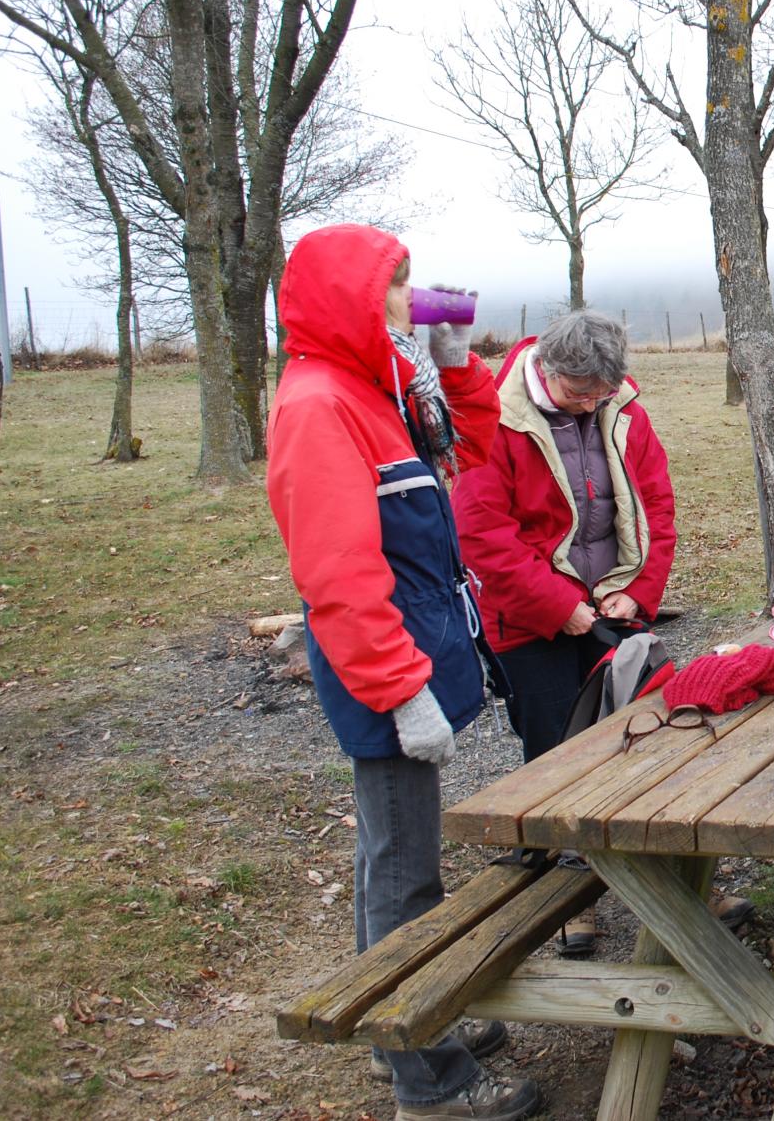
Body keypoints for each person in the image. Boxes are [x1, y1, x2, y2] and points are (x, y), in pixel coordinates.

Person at [266, 225, 540, 1121]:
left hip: (414, 653)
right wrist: (398, 690)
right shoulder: (318, 405)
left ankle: (392, 1017)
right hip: (383, 672)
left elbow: (473, 444)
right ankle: (431, 1079)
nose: (411, 300)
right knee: (405, 878)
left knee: (386, 857)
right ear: (353, 295)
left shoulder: (380, 382)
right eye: (399, 285)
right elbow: (338, 574)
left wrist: (456, 360)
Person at [454, 310, 749, 955]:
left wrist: (637, 591)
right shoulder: (493, 419)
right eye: (577, 394)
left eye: (600, 395)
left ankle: (681, 882)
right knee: (557, 754)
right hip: (528, 620)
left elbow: (657, 504)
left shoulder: (624, 408)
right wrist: (560, 606)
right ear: (547, 370)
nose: (590, 405)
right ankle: (570, 894)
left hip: (613, 607)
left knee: (651, 736)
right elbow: (482, 535)